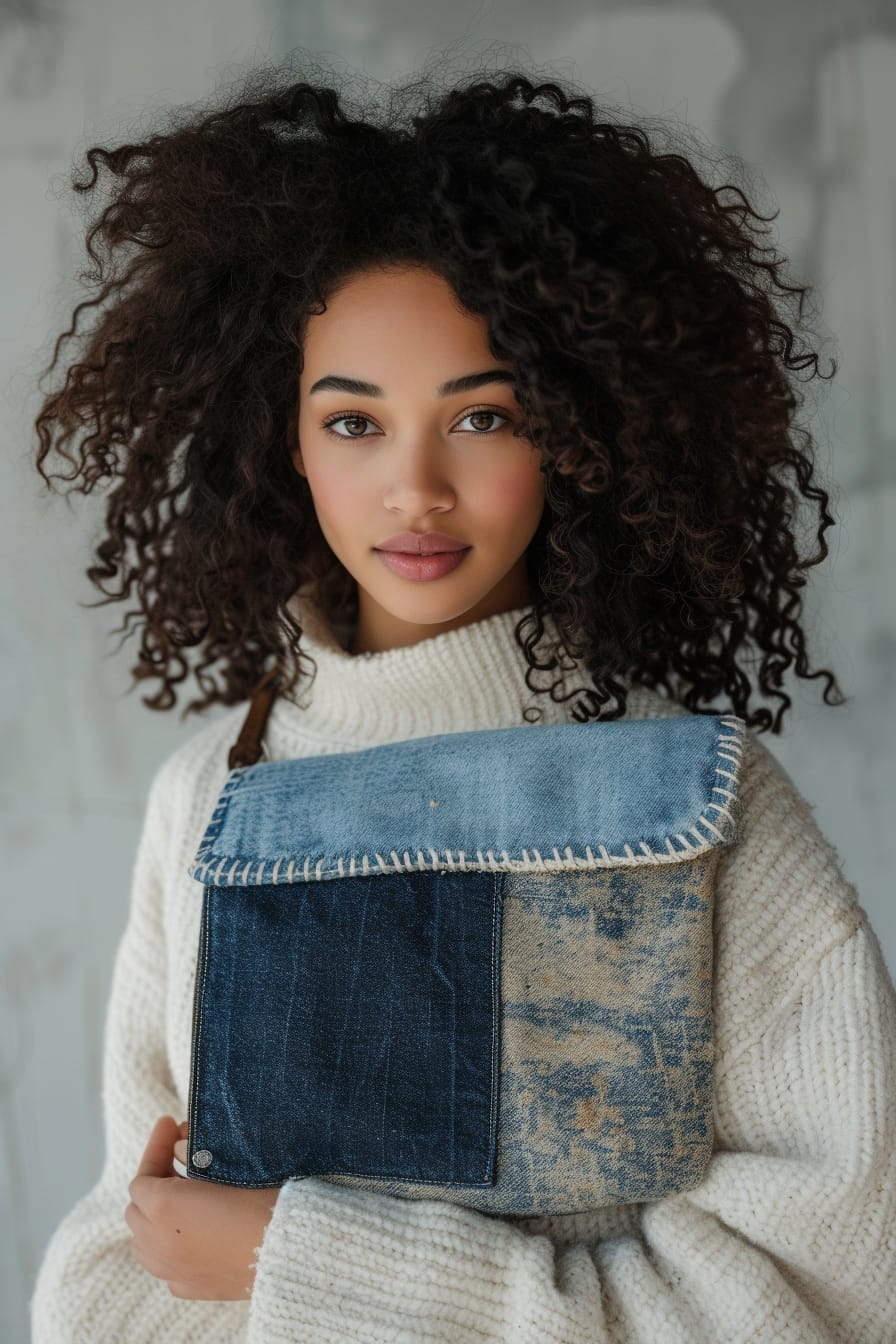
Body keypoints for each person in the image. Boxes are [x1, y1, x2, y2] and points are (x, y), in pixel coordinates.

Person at [28, 51, 896, 1344]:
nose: (415, 490)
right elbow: (117, 1276)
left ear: (582, 429)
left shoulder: (700, 799)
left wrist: (300, 1260)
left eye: (483, 420)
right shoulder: (213, 796)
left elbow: (837, 1286)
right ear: (284, 441)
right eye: (354, 423)